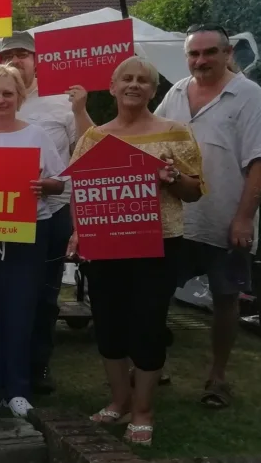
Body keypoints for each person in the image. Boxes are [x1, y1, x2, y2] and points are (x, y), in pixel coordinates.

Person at [68, 57, 204, 445]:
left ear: (153, 90)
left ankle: (143, 410)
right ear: (111, 87)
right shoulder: (93, 138)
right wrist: (80, 232)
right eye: (126, 79)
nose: (134, 85)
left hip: (158, 245)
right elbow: (81, 191)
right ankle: (119, 401)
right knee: (109, 327)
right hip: (106, 247)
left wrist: (172, 176)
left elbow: (194, 191)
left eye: (143, 80)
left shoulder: (176, 133)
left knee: (147, 327)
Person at [155, 25, 261, 409]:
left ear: (227, 53)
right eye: (193, 54)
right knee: (155, 293)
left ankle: (217, 378)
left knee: (226, 299)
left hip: (226, 220)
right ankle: (153, 365)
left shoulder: (248, 96)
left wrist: (244, 219)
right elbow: (149, 135)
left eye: (209, 52)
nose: (200, 61)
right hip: (176, 219)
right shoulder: (175, 92)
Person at [0, 65, 65, 419]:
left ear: (19, 97)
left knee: (22, 310)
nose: (0, 100)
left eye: (7, 93)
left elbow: (60, 182)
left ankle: (18, 389)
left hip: (29, 232)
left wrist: (43, 186)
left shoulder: (36, 135)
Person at [0, 31, 78, 394]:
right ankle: (2, 362)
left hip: (51, 215)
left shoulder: (63, 103)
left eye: (21, 54)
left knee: (44, 293)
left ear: (36, 59)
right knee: (0, 293)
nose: (13, 61)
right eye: (6, 55)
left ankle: (38, 364)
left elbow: (77, 160)